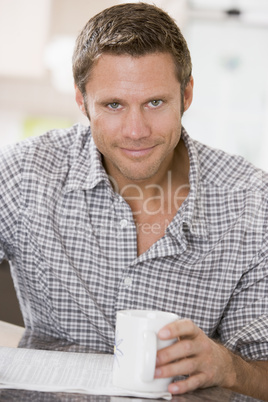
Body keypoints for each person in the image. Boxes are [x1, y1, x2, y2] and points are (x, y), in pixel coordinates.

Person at [0, 2, 268, 399]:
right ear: (82, 100)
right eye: (113, 105)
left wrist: (228, 367)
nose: (136, 130)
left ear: (187, 93)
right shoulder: (25, 174)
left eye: (155, 103)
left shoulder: (253, 203)